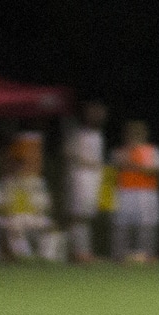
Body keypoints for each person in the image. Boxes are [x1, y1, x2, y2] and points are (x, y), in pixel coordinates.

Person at [108, 121, 159, 263]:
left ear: (144, 134)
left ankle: (146, 255)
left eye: (138, 132)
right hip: (124, 191)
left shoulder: (152, 151)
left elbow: (155, 170)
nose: (134, 135)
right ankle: (119, 256)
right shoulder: (119, 151)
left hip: (146, 192)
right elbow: (113, 169)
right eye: (131, 132)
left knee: (147, 224)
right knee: (121, 224)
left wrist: (134, 166)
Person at [64, 102, 106, 264]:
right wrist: (87, 163)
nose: (99, 116)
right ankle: (79, 253)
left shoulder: (98, 134)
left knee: (86, 217)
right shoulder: (78, 133)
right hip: (81, 179)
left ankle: (83, 252)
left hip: (94, 180)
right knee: (79, 217)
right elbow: (68, 152)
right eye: (95, 112)